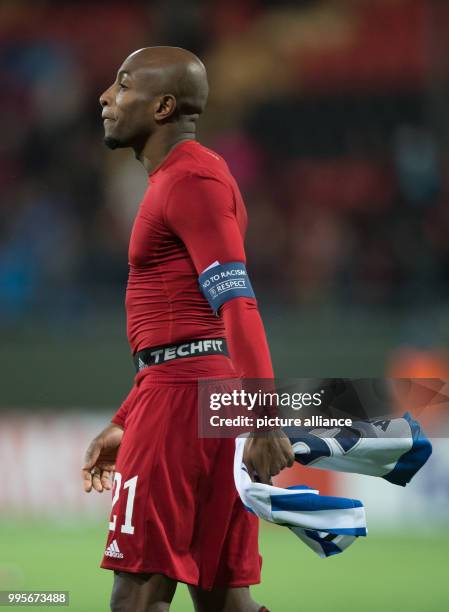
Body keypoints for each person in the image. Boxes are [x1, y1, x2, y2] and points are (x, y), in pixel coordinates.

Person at [81, 46, 294, 612]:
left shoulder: (190, 181)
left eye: (123, 86)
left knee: (137, 594)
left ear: (163, 106)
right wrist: (129, 417)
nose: (105, 97)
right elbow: (189, 327)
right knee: (224, 599)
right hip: (194, 395)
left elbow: (237, 305)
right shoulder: (191, 176)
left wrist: (265, 417)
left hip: (185, 404)